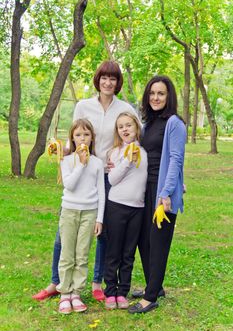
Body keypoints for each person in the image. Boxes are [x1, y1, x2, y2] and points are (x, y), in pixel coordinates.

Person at [32, 60, 138, 302]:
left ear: (118, 82)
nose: (108, 82)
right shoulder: (83, 105)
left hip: (109, 176)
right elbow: (74, 136)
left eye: (113, 78)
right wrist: (61, 150)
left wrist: (118, 156)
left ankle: (96, 282)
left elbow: (132, 135)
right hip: (81, 171)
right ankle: (56, 282)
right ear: (98, 80)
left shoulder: (125, 108)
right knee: (64, 232)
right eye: (104, 77)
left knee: (102, 231)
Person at [128, 75, 186, 314]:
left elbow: (176, 160)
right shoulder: (149, 123)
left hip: (163, 193)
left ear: (169, 96)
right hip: (146, 188)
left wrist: (166, 192)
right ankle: (156, 285)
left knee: (159, 243)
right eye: (152, 93)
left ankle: (150, 297)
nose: (155, 97)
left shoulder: (175, 123)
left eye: (161, 93)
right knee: (145, 240)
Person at [56, 119, 105, 314]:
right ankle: (64, 293)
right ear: (72, 138)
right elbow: (69, 185)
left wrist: (99, 218)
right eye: (78, 135)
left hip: (90, 213)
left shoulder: (98, 163)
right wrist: (81, 164)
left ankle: (76, 292)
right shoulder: (66, 160)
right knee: (67, 254)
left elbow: (101, 192)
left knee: (82, 254)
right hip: (69, 211)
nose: (82, 138)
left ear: (92, 138)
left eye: (86, 134)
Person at [104, 112, 147, 309]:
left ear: (137, 127)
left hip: (137, 208)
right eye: (121, 126)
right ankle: (110, 291)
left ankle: (123, 292)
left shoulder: (145, 152)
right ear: (117, 131)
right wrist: (127, 159)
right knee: (114, 251)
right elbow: (112, 180)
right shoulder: (116, 153)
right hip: (117, 206)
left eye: (128, 125)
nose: (125, 129)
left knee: (128, 253)